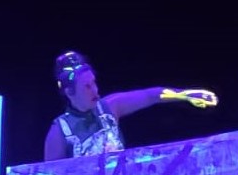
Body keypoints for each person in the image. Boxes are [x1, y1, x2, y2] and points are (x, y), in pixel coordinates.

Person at [44, 50, 204, 161]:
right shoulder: (59, 132)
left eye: (94, 83)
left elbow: (151, 95)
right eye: (87, 86)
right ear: (69, 92)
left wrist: (184, 95)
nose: (95, 90)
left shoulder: (109, 107)